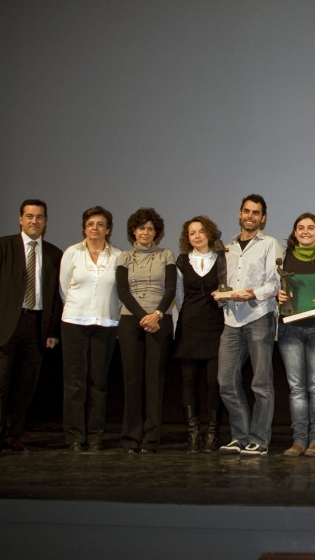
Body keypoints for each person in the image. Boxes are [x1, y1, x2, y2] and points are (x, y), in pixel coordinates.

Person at [0, 200, 62, 459]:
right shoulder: (2, 246)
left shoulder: (54, 253)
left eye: (39, 217)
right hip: (4, 326)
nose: (34, 221)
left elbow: (56, 297)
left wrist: (52, 331)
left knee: (25, 386)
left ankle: (14, 435)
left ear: (45, 221)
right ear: (20, 219)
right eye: (29, 216)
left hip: (36, 326)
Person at [217, 194, 283, 457]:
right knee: (225, 381)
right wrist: (222, 296)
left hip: (259, 318)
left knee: (261, 384)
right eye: (247, 211)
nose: (250, 216)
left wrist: (252, 293)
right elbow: (225, 283)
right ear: (239, 213)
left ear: (263, 218)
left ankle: (259, 439)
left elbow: (275, 283)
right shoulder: (228, 248)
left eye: (256, 213)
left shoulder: (269, 244)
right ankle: (240, 436)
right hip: (231, 320)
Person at [58, 206, 121, 452]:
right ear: (84, 228)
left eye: (100, 224)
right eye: (91, 224)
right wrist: (79, 309)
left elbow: (121, 292)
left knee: (99, 383)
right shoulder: (72, 253)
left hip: (105, 323)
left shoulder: (118, 256)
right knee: (75, 383)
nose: (95, 228)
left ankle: (95, 435)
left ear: (108, 229)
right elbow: (64, 288)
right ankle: (75, 436)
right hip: (75, 322)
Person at [116, 207, 176, 453]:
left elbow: (171, 289)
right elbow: (122, 292)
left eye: (150, 229)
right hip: (131, 321)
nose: (146, 232)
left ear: (156, 232)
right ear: (134, 231)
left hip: (160, 320)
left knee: (154, 381)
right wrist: (144, 317)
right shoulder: (124, 257)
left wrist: (156, 315)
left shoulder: (166, 255)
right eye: (141, 228)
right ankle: (131, 437)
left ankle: (151, 439)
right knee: (132, 380)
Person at [277, 213, 315, 457]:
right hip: (289, 329)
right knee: (296, 389)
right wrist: (278, 295)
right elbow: (277, 288)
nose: (305, 231)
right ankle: (299, 441)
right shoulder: (285, 258)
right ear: (295, 232)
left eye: (311, 227)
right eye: (300, 227)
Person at [174, 215, 226, 453]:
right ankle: (193, 434)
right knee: (189, 382)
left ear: (209, 233)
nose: (197, 236)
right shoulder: (182, 261)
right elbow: (179, 296)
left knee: (214, 382)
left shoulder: (222, 259)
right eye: (192, 233)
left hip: (215, 326)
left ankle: (213, 434)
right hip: (189, 327)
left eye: (201, 231)